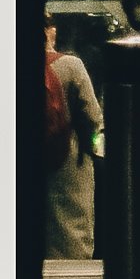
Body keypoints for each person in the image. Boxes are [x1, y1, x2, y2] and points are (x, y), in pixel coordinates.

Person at [45, 20, 101, 259]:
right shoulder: (71, 66)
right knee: (71, 234)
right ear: (50, 32)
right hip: (69, 166)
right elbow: (94, 120)